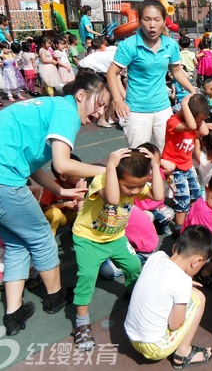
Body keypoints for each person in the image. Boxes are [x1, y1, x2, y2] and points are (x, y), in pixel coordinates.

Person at [0, 71, 111, 336]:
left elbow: (32, 166)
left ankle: (13, 313)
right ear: (81, 96)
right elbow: (63, 164)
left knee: (16, 240)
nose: (100, 113)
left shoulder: (48, 107)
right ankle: (55, 297)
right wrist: (108, 170)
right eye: (99, 104)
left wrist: (59, 190)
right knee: (41, 236)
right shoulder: (67, 111)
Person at [71, 147, 164, 351]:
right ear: (115, 175)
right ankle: (81, 322)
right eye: (130, 186)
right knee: (87, 276)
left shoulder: (136, 184)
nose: (134, 191)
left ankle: (133, 292)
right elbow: (113, 199)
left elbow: (158, 194)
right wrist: (111, 166)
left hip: (116, 238)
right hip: (89, 239)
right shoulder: (101, 181)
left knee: (133, 266)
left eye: (139, 186)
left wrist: (155, 166)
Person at [107, 0, 196, 151]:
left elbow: (176, 71)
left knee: (168, 152)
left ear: (164, 21)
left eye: (157, 19)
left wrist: (193, 91)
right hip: (136, 111)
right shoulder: (129, 45)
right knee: (139, 156)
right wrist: (118, 100)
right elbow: (111, 72)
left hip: (163, 108)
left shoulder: (171, 44)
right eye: (147, 19)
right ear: (139, 21)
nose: (152, 24)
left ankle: (164, 176)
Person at [125, 225, 212, 369]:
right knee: (199, 298)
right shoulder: (182, 282)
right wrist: (185, 288)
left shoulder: (157, 256)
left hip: (131, 333)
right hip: (154, 347)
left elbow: (161, 280)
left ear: (174, 248)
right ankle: (183, 354)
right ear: (196, 261)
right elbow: (175, 324)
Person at [161, 93, 210, 229]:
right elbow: (191, 125)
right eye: (199, 119)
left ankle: (193, 219)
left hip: (187, 165)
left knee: (196, 194)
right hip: (173, 166)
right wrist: (184, 104)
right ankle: (179, 226)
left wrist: (199, 117)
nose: (200, 123)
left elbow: (205, 132)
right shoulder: (173, 122)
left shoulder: (195, 123)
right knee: (182, 196)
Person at [40, 153, 84, 236]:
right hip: (56, 218)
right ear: (63, 177)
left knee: (84, 207)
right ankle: (50, 236)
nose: (81, 174)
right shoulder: (51, 189)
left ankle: (76, 229)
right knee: (55, 213)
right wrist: (65, 204)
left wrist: (77, 201)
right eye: (77, 172)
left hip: (69, 216)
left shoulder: (79, 184)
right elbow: (42, 208)